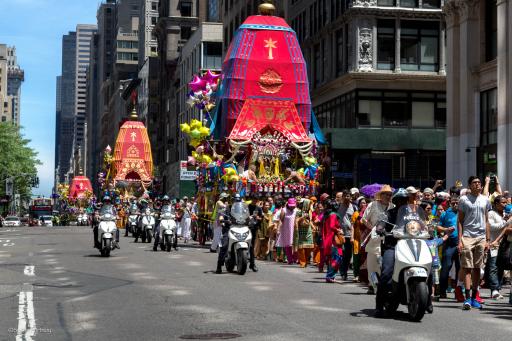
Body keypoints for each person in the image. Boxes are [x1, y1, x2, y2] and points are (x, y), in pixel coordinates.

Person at [374, 188, 410, 317]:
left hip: (410, 246)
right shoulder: (388, 213)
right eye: (400, 200)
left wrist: (428, 228)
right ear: (395, 201)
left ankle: (426, 299)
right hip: (393, 246)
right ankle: (379, 305)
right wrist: (380, 229)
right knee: (386, 273)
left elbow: (422, 224)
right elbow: (381, 223)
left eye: (405, 200)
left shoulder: (412, 214)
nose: (402, 202)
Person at [458, 176, 491, 310]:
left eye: (479, 183)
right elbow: (460, 220)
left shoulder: (485, 200)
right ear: (469, 186)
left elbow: (487, 220)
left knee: (478, 268)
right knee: (467, 267)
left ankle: (473, 297)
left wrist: (488, 240)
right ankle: (466, 298)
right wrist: (460, 240)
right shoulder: (464, 200)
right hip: (467, 236)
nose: (477, 184)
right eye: (474, 183)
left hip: (481, 237)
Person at [486, 195, 511, 299]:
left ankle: (497, 287)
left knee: (501, 266)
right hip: (494, 244)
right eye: (503, 203)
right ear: (496, 204)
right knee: (493, 266)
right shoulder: (491, 213)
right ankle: (494, 289)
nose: (505, 205)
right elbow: (491, 227)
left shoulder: (506, 213)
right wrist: (505, 222)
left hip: (505, 245)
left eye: (506, 202)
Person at [438, 196, 461, 300]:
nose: (455, 205)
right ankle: (442, 291)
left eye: (457, 203)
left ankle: (458, 291)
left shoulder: (463, 212)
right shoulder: (445, 213)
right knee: (446, 267)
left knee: (460, 269)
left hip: (461, 243)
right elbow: (438, 227)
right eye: (453, 203)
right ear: (450, 203)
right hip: (449, 243)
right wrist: (446, 229)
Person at [336, 190, 356, 281]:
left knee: (348, 255)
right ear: (342, 197)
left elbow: (354, 222)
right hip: (339, 233)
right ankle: (342, 271)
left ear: (350, 197)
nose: (347, 198)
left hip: (349, 234)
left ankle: (344, 271)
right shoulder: (338, 206)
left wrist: (353, 235)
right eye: (345, 196)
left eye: (348, 196)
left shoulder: (354, 207)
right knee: (341, 253)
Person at [322, 199, 343, 283]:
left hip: (329, 239)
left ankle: (330, 276)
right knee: (337, 258)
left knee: (333, 258)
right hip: (333, 240)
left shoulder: (327, 215)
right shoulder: (333, 215)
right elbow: (332, 226)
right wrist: (339, 230)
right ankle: (330, 276)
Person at [278, 198, 298, 265]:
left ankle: (295, 258)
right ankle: (290, 259)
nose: (292, 206)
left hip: (295, 229)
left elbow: (296, 219)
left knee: (295, 244)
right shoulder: (284, 210)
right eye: (291, 205)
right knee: (288, 244)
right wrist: (278, 229)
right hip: (286, 229)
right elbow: (281, 220)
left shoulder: (296, 210)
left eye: (293, 205)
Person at [296, 199, 314, 268]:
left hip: (308, 231)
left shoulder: (310, 212)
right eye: (309, 204)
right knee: (301, 249)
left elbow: (310, 221)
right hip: (301, 230)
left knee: (308, 248)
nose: (310, 206)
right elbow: (296, 220)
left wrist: (313, 227)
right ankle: (302, 262)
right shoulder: (299, 212)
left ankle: (306, 260)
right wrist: (302, 217)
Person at [248, 196, 262, 272]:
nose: (254, 200)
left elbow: (261, 218)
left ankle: (252, 264)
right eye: (253, 199)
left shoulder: (258, 208)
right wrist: (248, 217)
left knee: (251, 246)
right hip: (245, 228)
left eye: (256, 199)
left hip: (254, 228)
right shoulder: (247, 207)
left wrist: (257, 217)